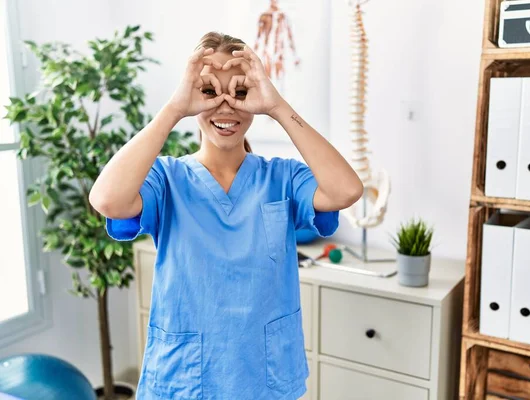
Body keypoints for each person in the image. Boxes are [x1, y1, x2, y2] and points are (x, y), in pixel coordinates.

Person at [89, 32, 363, 400]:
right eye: (208, 92)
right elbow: (107, 199)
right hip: (184, 384)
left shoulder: (282, 178)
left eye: (239, 93)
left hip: (264, 382)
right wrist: (173, 109)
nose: (225, 107)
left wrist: (277, 106)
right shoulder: (167, 180)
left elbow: (346, 190)